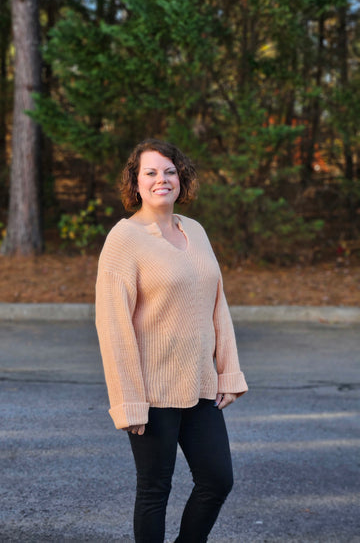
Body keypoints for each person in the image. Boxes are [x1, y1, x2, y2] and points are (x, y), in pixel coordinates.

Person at [95, 139, 248, 543]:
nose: (162, 179)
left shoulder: (194, 231)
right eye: (151, 172)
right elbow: (113, 327)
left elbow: (218, 305)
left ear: (181, 179)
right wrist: (128, 400)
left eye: (169, 171)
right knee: (154, 491)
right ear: (136, 181)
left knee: (217, 480)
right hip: (152, 392)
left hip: (199, 384)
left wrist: (228, 372)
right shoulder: (124, 240)